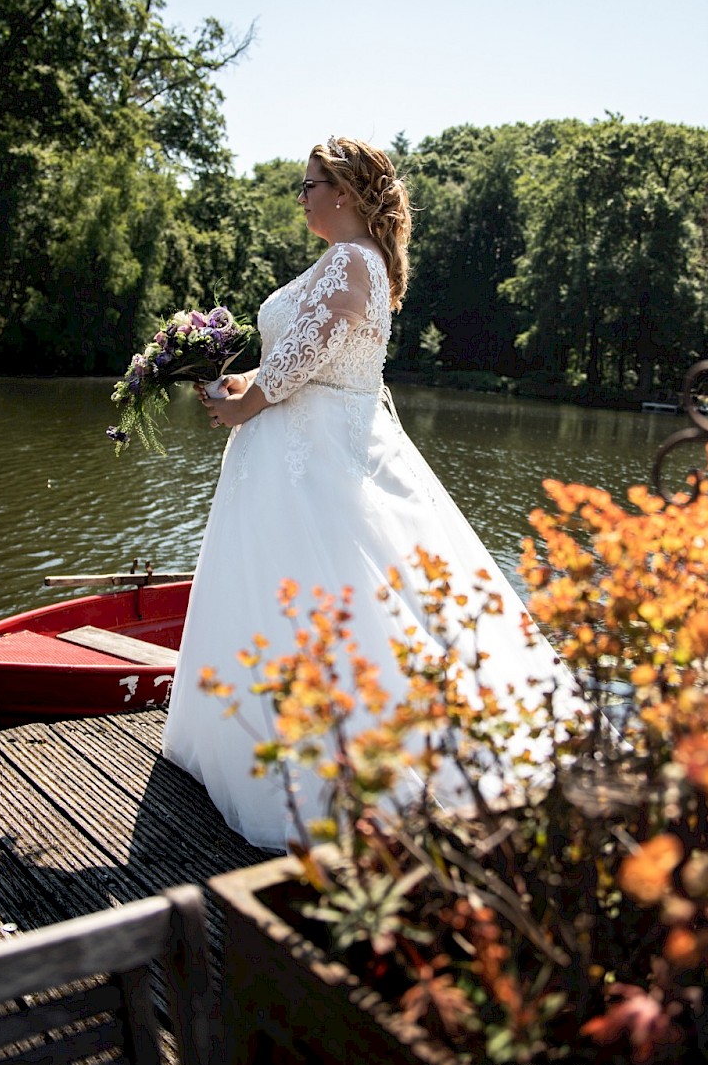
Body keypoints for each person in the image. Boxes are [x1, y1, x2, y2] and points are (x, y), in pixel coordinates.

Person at [162, 135, 578, 850]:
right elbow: (298, 353)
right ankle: (255, 736)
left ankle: (345, 761)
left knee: (338, 595)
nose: (302, 195)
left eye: (311, 183)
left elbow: (311, 353)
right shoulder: (336, 261)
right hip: (292, 447)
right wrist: (242, 381)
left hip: (319, 458)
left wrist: (248, 401)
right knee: (282, 591)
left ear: (345, 193)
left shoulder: (356, 261)